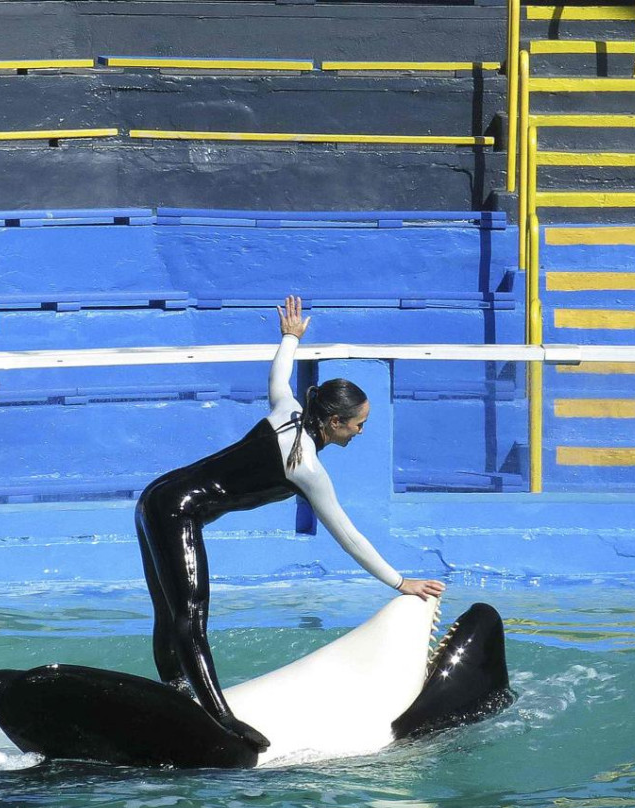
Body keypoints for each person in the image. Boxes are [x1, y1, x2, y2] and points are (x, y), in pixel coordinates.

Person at [136, 296, 446, 752]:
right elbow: (349, 537)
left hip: (156, 497)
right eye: (357, 425)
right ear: (335, 421)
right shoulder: (306, 468)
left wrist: (290, 337)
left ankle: (178, 697)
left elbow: (278, 375)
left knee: (171, 613)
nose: (360, 432)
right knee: (190, 615)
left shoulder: (288, 411)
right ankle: (220, 719)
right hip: (175, 511)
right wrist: (400, 582)